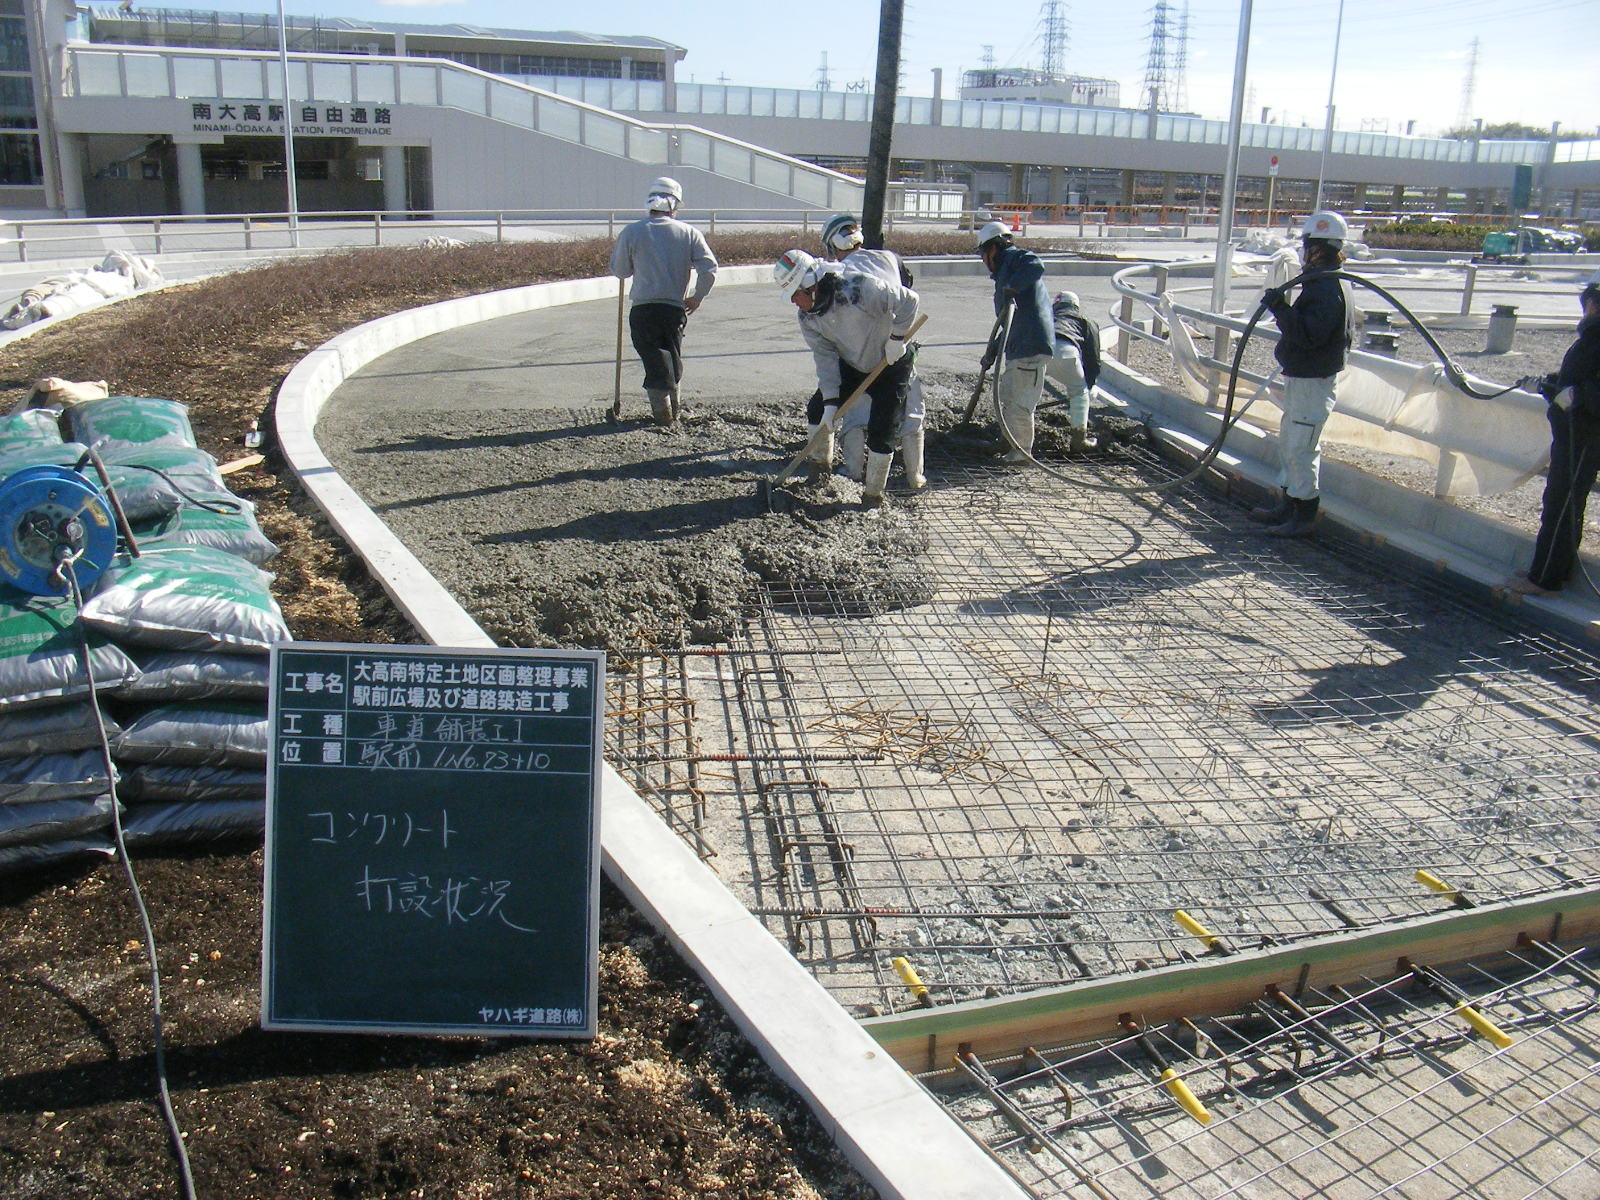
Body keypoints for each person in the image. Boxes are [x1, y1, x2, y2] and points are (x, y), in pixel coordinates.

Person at [773, 247, 918, 507]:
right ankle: (819, 469)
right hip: (851, 363)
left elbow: (909, 301)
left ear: (811, 286)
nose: (794, 301)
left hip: (891, 360)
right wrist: (830, 403)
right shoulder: (808, 317)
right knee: (816, 409)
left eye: (795, 294)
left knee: (883, 430)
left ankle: (873, 495)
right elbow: (825, 359)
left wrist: (897, 339)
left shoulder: (859, 288)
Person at [1250, 209, 1358, 537]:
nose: (1304, 253)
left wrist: (1280, 308)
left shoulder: (1328, 289)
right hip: (1302, 379)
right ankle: (1288, 504)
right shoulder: (1321, 283)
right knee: (1291, 443)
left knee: (1302, 447)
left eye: (1308, 246)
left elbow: (1310, 335)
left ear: (1318, 249)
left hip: (1313, 382)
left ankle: (1303, 515)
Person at [1503, 282, 1600, 595]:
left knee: (1563, 503)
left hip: (1585, 435)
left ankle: (1545, 579)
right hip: (1573, 431)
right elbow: (1578, 378)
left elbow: (1589, 390)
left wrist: (1577, 396)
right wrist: (1549, 385)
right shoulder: (1592, 336)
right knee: (1559, 501)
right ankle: (1549, 569)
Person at [817, 213, 926, 488]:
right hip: (895, 348)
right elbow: (906, 289)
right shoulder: (889, 257)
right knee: (910, 411)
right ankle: (915, 476)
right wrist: (896, 336)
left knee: (856, 413)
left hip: (859, 355)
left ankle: (853, 470)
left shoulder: (841, 272)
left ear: (833, 246)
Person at [609, 177, 717, 424]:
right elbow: (709, 268)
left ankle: (663, 414)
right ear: (675, 205)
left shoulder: (632, 231)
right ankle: (673, 411)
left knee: (654, 359)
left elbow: (621, 271)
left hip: (643, 309)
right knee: (671, 356)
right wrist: (698, 297)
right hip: (673, 309)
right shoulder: (689, 233)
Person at [977, 221, 1054, 463]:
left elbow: (1035, 264)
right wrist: (993, 351)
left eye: (982, 253)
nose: (982, 259)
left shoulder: (1013, 258)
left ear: (993, 248)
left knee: (1019, 405)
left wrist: (1012, 286)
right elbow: (1008, 323)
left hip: (1029, 346)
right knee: (1010, 399)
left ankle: (1021, 454)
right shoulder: (1005, 272)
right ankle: (1013, 447)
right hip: (1019, 344)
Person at [1048, 291, 1101, 454]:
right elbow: (1093, 358)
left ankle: (1016, 437)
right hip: (1066, 351)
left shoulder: (1045, 317)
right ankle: (1079, 440)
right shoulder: (1086, 321)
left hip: (1038, 351)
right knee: (1079, 392)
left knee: (1029, 393)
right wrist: (1089, 385)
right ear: (1076, 306)